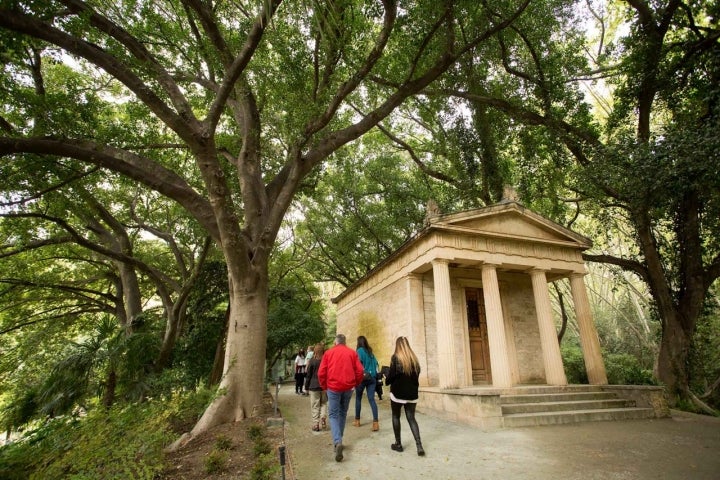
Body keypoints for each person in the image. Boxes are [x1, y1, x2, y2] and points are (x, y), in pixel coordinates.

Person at [318, 333, 364, 462]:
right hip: (348, 387)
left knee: (333, 414)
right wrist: (356, 383)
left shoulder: (328, 353)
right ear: (345, 342)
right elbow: (360, 371)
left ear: (336, 342)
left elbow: (321, 372)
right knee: (343, 413)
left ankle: (337, 441)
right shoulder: (352, 353)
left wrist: (324, 386)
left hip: (333, 387)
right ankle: (339, 440)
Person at [385, 336, 425, 456]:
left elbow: (391, 376)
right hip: (412, 394)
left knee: (396, 416)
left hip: (397, 393)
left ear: (397, 346)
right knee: (411, 418)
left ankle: (398, 444)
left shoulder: (395, 358)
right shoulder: (414, 359)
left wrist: (386, 378)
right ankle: (419, 446)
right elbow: (416, 377)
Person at [353, 335, 380, 431]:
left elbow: (358, 365)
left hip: (362, 378)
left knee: (358, 398)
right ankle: (375, 423)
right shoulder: (370, 352)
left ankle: (357, 421)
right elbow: (377, 364)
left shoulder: (359, 351)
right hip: (372, 378)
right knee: (371, 399)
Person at [304, 342, 327, 432]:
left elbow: (308, 375)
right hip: (323, 386)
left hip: (313, 386)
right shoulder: (326, 361)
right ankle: (323, 418)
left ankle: (316, 424)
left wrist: (306, 386)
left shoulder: (312, 361)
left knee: (315, 405)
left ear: (315, 351)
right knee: (324, 403)